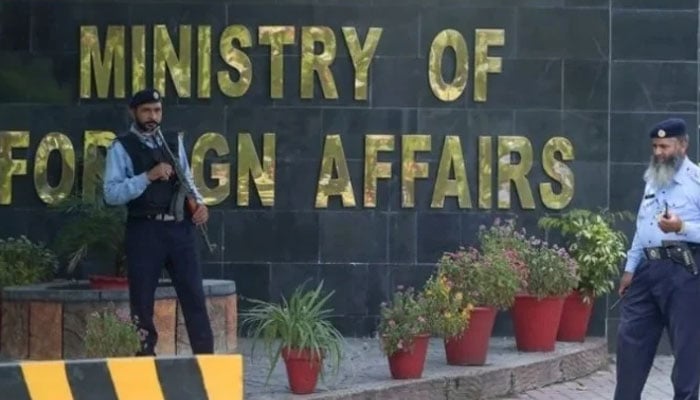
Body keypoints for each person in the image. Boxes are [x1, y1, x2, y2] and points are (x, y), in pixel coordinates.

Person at [103, 88, 214, 355]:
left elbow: (187, 180)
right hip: (145, 230)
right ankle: (145, 361)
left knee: (194, 297)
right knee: (141, 300)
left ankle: (206, 361)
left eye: (157, 110)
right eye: (146, 111)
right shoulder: (121, 147)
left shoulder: (172, 142)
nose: (153, 116)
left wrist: (200, 206)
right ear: (134, 112)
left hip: (180, 229)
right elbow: (111, 194)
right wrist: (147, 176)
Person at [615, 117, 700, 400]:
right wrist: (630, 269)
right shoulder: (653, 180)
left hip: (684, 273)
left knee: (688, 354)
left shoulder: (696, 181)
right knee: (629, 345)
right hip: (647, 271)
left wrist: (681, 228)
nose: (659, 152)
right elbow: (643, 226)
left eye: (665, 145)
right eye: (655, 146)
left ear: (683, 145)